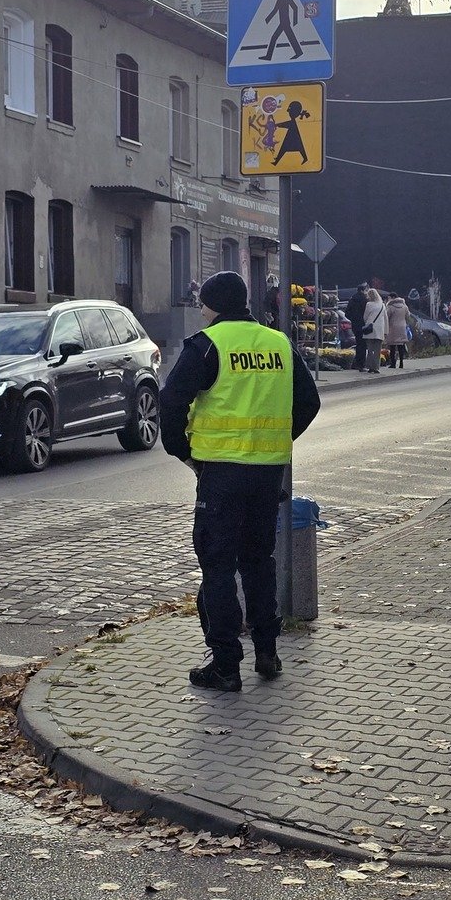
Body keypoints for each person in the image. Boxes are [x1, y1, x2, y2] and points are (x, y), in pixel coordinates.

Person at [160, 271, 321, 692]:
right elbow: (309, 401)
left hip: (221, 473)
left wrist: (182, 451)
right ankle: (267, 652)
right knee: (258, 560)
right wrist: (278, 439)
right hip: (267, 472)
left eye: (203, 304)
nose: (201, 311)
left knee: (217, 565)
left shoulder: (208, 345)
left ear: (213, 305)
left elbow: (171, 399)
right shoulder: (279, 342)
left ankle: (226, 663)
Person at [361, 288, 387, 373]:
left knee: (370, 349)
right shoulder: (383, 305)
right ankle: (376, 367)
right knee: (377, 350)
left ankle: (370, 366)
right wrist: (386, 331)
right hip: (380, 330)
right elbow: (385, 319)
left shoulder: (369, 304)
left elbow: (365, 317)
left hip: (370, 329)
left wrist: (367, 322)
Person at [346, 283, 368, 371]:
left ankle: (356, 363)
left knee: (358, 344)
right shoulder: (365, 300)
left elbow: (347, 313)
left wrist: (353, 319)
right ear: (363, 290)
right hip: (363, 325)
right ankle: (361, 364)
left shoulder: (352, 299)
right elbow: (367, 313)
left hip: (355, 325)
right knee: (363, 345)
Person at [385, 294, 409, 369]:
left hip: (393, 327)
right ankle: (401, 363)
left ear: (392, 298)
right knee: (401, 346)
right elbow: (408, 315)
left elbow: (386, 316)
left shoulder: (390, 307)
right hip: (402, 327)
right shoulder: (404, 306)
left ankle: (393, 363)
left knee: (392, 347)